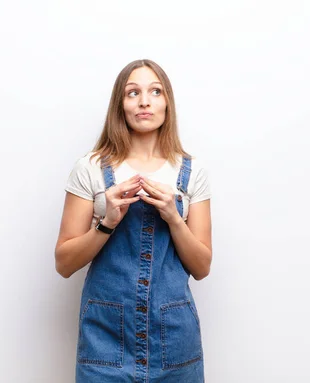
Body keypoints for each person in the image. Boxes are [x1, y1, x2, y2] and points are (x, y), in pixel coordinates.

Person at [55, 59, 212, 382]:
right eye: (133, 92)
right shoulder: (90, 168)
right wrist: (107, 222)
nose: (144, 101)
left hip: (174, 341)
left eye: (155, 91)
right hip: (105, 343)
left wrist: (173, 217)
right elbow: (64, 263)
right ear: (120, 105)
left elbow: (202, 267)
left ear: (167, 103)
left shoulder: (192, 171)